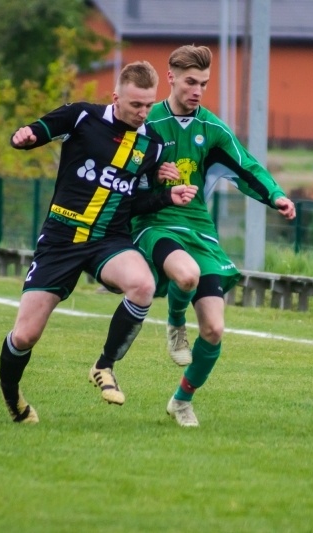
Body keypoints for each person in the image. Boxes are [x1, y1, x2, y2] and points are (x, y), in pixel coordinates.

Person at [0, 61, 198, 423]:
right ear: (116, 96)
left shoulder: (151, 146)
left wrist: (168, 195)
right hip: (61, 238)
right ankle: (13, 398)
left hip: (109, 239)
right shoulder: (82, 117)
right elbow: (41, 129)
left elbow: (134, 200)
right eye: (135, 104)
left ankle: (104, 365)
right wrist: (24, 137)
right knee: (25, 336)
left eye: (148, 105)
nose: (142, 113)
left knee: (143, 285)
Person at [131, 45, 297, 427]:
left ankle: (181, 401)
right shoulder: (146, 121)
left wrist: (276, 195)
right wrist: (152, 177)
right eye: (191, 81)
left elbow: (247, 166)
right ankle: (174, 322)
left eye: (204, 83)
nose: (198, 90)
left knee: (214, 329)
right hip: (154, 222)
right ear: (170, 77)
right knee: (186, 275)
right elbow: (121, 174)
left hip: (199, 228)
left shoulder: (212, 129)